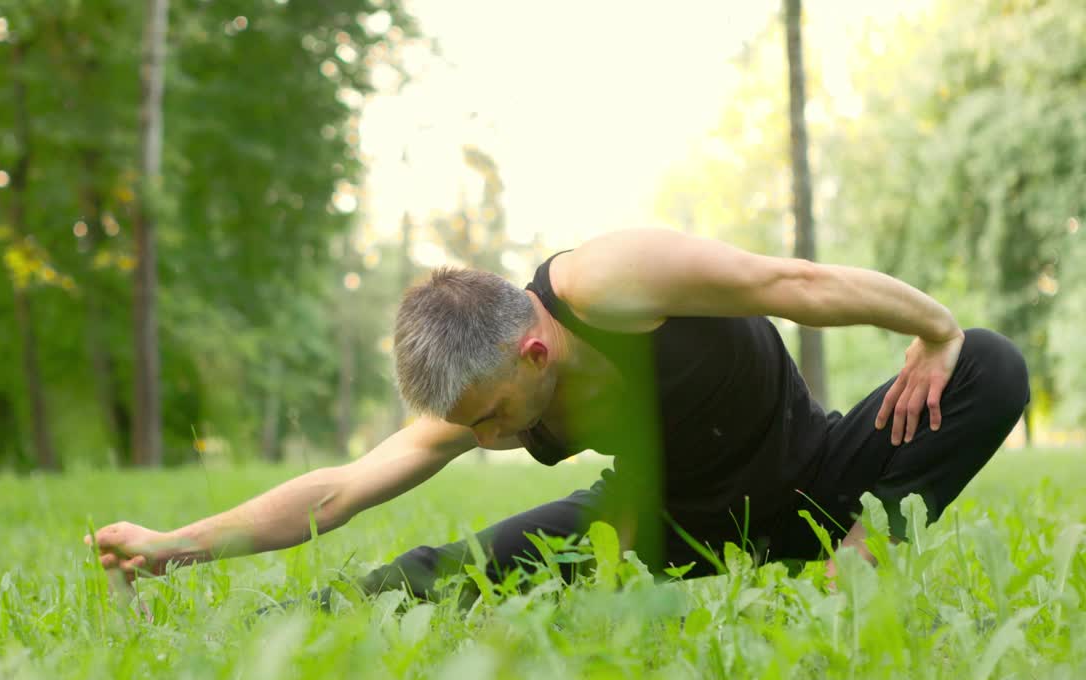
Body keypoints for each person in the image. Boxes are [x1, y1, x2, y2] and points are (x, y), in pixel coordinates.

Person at [85, 227, 1029, 600]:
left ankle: (857, 557)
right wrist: (178, 542)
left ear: (532, 350)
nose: (487, 441)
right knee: (434, 578)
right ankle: (290, 635)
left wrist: (936, 329)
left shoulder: (613, 282)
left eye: (494, 419)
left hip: (811, 472)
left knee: (991, 363)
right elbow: (338, 490)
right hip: (662, 523)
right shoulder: (482, 387)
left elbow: (794, 282)